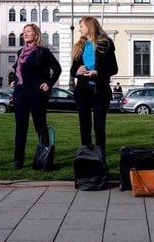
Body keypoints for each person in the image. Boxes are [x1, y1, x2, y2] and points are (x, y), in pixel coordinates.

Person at [11, 23, 61, 169]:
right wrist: (15, 81)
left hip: (37, 95)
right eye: (24, 32)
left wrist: (49, 84)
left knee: (40, 127)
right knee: (20, 127)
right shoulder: (20, 52)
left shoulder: (43, 52)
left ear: (36, 35)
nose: (25, 34)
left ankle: (44, 159)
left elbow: (57, 69)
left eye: (28, 32)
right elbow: (18, 71)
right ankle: (18, 161)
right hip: (20, 94)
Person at [70, 17, 118, 157]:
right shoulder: (80, 45)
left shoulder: (105, 43)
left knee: (99, 125)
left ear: (89, 27)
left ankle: (100, 156)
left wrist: (97, 73)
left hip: (100, 90)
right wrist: (77, 72)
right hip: (83, 91)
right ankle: (86, 155)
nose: (79, 29)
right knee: (84, 125)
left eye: (81, 26)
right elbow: (73, 69)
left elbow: (113, 68)